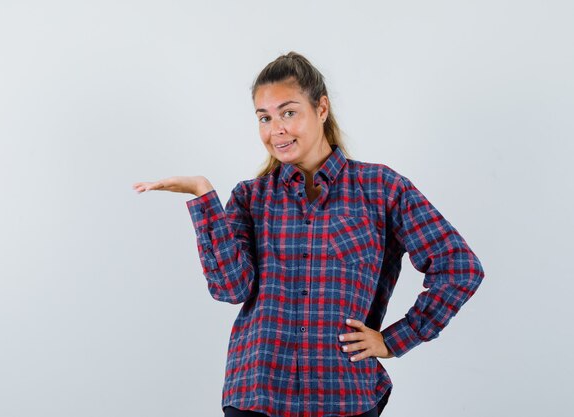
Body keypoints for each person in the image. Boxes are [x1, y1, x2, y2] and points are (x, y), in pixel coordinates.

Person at [133, 52, 485, 417]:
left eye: (288, 112)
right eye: (264, 118)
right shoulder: (250, 197)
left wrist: (394, 341)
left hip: (343, 397)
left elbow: (460, 268)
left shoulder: (381, 188)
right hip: (258, 395)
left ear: (321, 109)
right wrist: (204, 197)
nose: (276, 129)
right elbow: (230, 289)